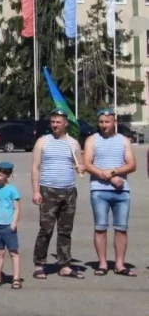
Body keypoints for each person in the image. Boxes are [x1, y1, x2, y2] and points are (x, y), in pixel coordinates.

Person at [31, 109, 84, 280]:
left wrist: (80, 167)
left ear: (65, 123)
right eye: (53, 121)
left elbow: (80, 165)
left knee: (65, 230)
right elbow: (35, 167)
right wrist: (36, 191)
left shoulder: (73, 143)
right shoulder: (42, 142)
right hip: (48, 190)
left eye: (58, 122)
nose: (55, 125)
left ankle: (65, 265)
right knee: (46, 229)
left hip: (68, 191)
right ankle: (39, 264)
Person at [83, 108, 137, 277]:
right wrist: (108, 177)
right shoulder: (92, 140)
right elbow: (88, 164)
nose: (104, 125)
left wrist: (113, 173)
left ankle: (120, 264)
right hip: (99, 191)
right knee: (100, 227)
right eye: (101, 122)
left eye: (107, 122)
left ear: (115, 122)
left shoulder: (124, 141)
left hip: (122, 191)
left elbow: (131, 165)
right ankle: (103, 264)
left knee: (121, 228)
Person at [0, 161, 21, 289]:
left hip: (8, 226)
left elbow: (16, 208)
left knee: (13, 252)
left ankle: (16, 277)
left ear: (7, 176)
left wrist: (14, 223)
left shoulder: (12, 190)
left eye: (0, 175)